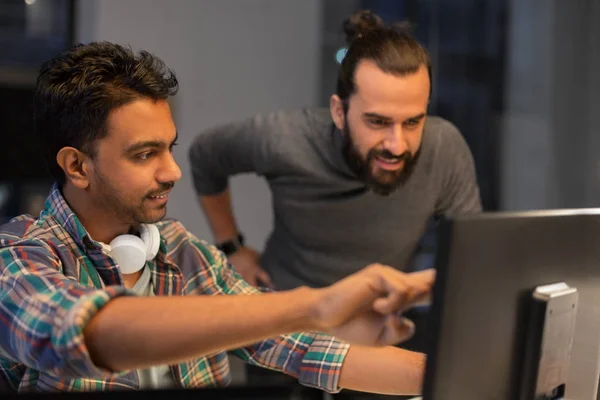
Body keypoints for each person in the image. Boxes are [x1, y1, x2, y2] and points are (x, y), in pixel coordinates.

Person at [0, 41, 434, 398]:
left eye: (170, 148)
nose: (172, 171)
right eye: (145, 154)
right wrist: (314, 306)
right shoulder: (18, 259)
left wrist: (461, 379)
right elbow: (89, 333)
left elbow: (305, 350)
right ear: (77, 167)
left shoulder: (182, 251)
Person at [189, 10, 481, 399]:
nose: (397, 145)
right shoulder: (283, 138)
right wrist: (231, 247)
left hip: (376, 331)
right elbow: (205, 157)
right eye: (378, 122)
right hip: (283, 331)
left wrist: (416, 288)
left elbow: (469, 262)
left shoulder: (444, 149)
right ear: (339, 112)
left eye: (413, 122)